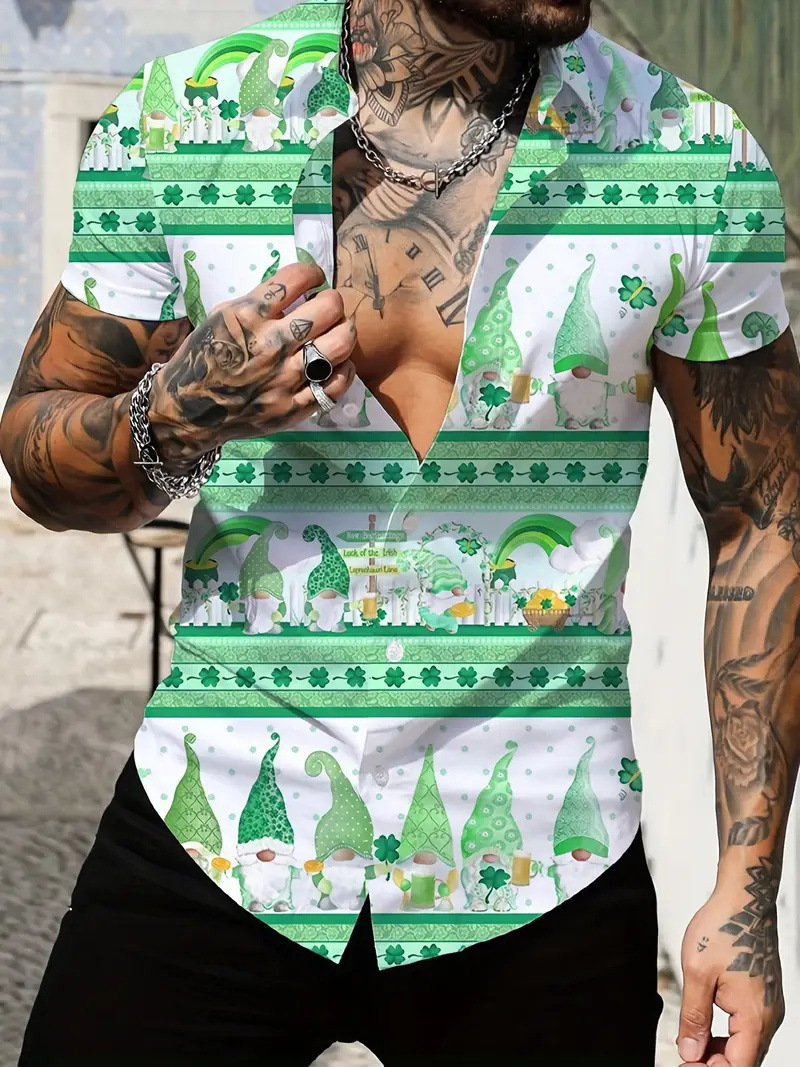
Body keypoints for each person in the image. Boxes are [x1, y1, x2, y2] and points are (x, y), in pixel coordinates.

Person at [2, 1, 798, 1065]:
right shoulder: (184, 118)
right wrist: (178, 413)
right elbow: (37, 460)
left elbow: (761, 518)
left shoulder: (686, 154)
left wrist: (745, 889)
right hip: (222, 819)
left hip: (537, 855)